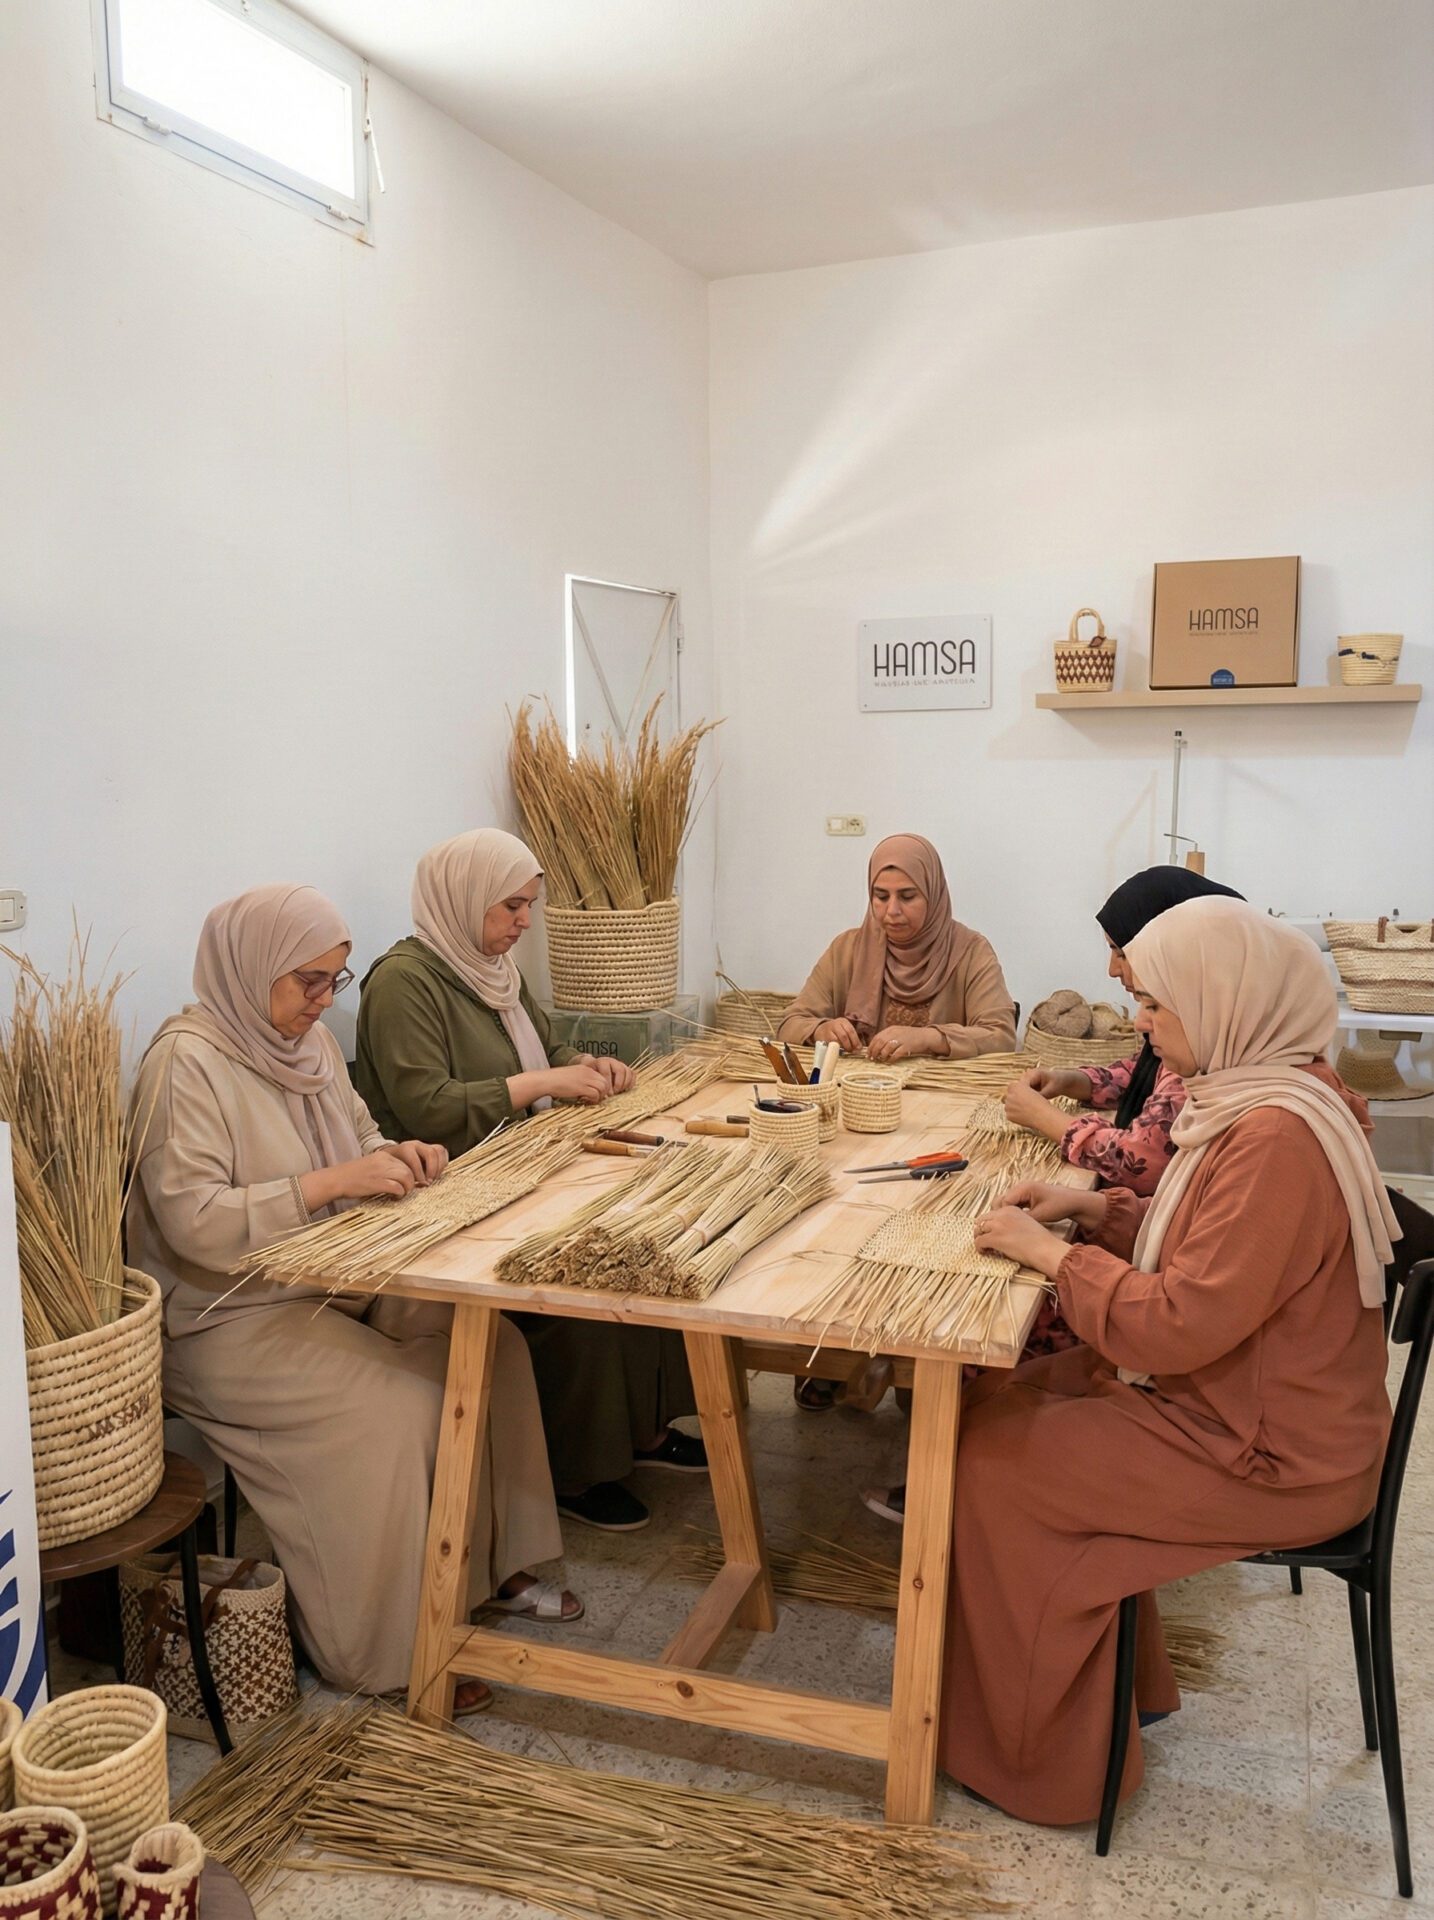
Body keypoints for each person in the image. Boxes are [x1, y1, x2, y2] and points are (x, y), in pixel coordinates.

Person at [929, 897, 1397, 1824]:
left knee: (989, 1466)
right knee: (994, 1400)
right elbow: (1219, 1253)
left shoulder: (1275, 1135)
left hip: (1271, 1454)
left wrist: (1054, 1257)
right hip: (1248, 1405)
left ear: (1223, 1000)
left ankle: (1043, 1769)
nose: (1140, 1022)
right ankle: (1118, 1697)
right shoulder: (1272, 1093)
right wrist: (1099, 1215)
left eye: (1155, 1003)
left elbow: (1179, 1320)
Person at [127, 885, 577, 1710]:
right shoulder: (183, 1065)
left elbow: (360, 1132)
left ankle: (484, 1571)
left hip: (336, 1278)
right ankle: (385, 1651)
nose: (320, 1002)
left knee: (492, 1349)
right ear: (249, 968)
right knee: (395, 1407)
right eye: (305, 981)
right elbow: (192, 1221)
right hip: (225, 1318)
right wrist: (335, 1183)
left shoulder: (310, 1046)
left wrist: (397, 1156)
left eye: (333, 982)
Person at [354, 829, 705, 1533]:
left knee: (646, 1245)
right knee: (577, 1284)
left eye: (528, 906)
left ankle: (640, 1431)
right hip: (447, 1185)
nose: (523, 922)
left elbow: (548, 1047)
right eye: (510, 906)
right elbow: (428, 1106)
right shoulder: (404, 983)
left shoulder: (494, 971)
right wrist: (546, 1081)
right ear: (463, 899)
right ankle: (579, 1468)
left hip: (524, 1163)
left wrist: (588, 1066)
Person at [1001, 865, 1244, 1364]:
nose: (1113, 969)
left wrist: (1049, 1118)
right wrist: (1077, 1081)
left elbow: (1147, 1161)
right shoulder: (1204, 1036)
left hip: (1171, 1327)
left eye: (1121, 950)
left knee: (1006, 1304)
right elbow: (1147, 1072)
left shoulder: (1247, 1094)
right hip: (1157, 1254)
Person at [778, 833, 1016, 1065]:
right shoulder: (847, 950)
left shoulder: (971, 952)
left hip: (942, 1096)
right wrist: (822, 1030)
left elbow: (1001, 1037)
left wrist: (927, 1038)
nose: (892, 910)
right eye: (881, 896)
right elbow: (790, 1024)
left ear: (933, 895)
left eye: (907, 896)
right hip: (861, 1093)